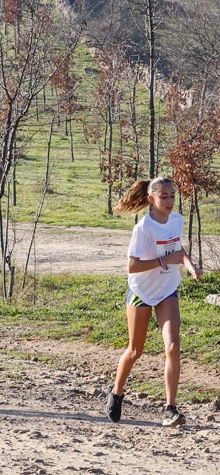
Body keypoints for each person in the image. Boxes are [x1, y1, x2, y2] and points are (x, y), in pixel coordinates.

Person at [107, 177, 201, 427]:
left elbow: (177, 247)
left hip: (167, 289)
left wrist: (190, 266)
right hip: (142, 291)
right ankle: (116, 392)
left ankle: (170, 408)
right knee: (135, 350)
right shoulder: (143, 228)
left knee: (172, 346)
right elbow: (132, 266)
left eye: (172, 196)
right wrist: (164, 261)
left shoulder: (177, 220)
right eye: (164, 197)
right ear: (151, 199)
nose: (170, 201)